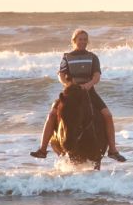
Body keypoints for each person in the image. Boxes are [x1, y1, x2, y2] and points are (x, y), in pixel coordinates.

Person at [30, 29, 126, 162]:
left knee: (107, 115)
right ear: (74, 41)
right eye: (80, 39)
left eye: (85, 39)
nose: (83, 42)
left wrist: (88, 85)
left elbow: (96, 76)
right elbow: (61, 75)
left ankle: (113, 150)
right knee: (52, 115)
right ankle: (42, 149)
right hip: (70, 93)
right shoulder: (67, 57)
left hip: (88, 92)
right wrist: (68, 84)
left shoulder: (93, 57)